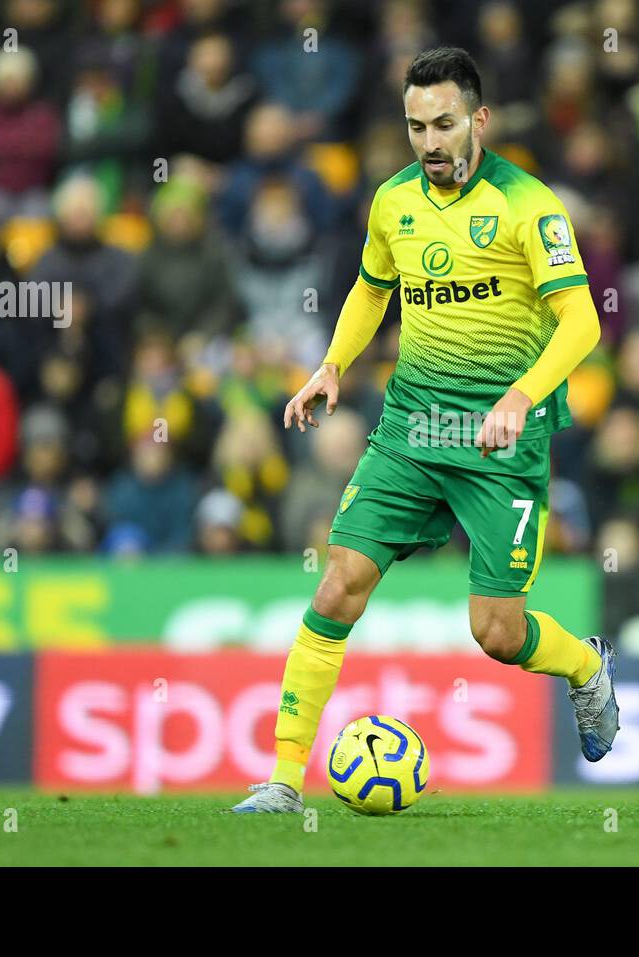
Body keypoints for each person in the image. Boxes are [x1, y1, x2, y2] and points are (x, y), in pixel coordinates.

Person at [233, 48, 616, 814]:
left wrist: (521, 393)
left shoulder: (529, 205)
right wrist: (334, 365)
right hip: (412, 428)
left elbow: (583, 321)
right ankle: (281, 781)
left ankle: (585, 668)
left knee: (497, 633)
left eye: (444, 124)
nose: (430, 142)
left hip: (502, 446)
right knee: (340, 582)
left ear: (478, 120)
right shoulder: (392, 203)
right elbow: (373, 289)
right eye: (416, 127)